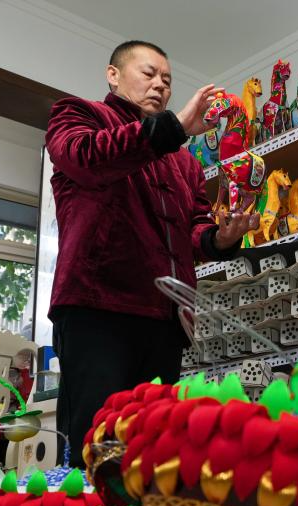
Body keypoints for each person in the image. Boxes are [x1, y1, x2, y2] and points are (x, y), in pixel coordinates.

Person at [45, 40, 257, 466]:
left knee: (154, 451)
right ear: (113, 75)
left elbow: (194, 228)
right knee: (97, 448)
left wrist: (220, 239)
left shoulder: (185, 163)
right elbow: (86, 159)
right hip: (98, 308)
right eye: (149, 73)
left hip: (166, 319)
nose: (160, 84)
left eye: (168, 80)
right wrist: (172, 128)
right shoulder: (78, 114)